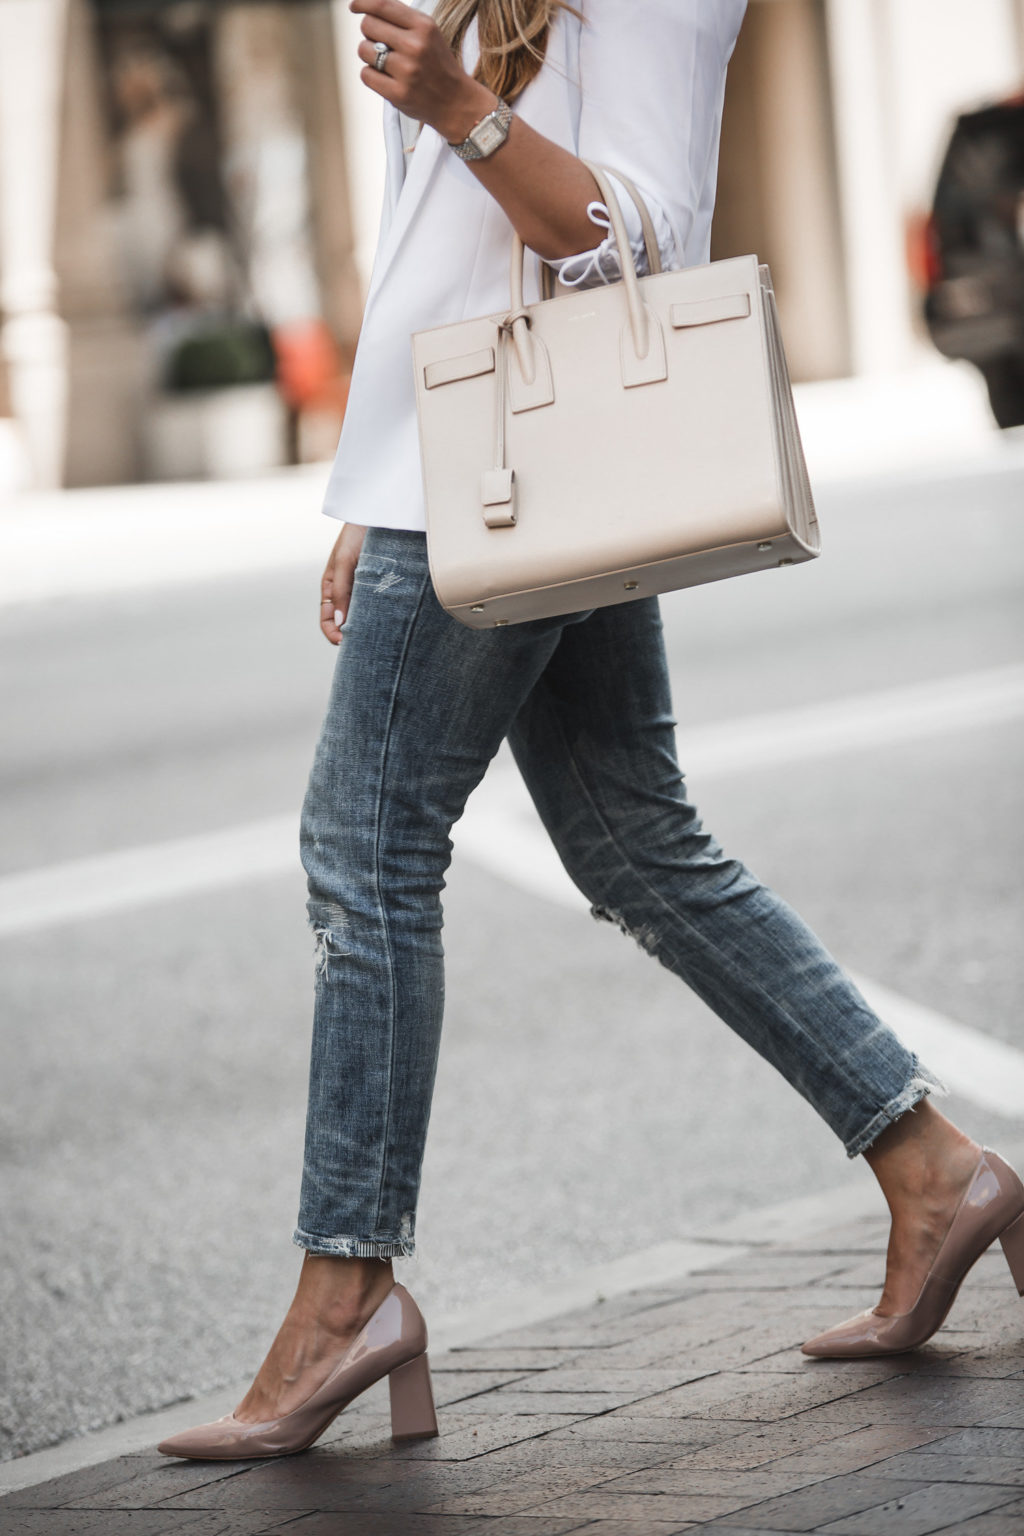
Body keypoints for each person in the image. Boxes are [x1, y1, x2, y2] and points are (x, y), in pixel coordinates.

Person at [157, 0, 1024, 1462]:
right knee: (634, 839)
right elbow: (440, 242)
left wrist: (462, 104)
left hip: (521, 465)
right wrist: (378, 479)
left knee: (366, 848)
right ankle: (933, 1169)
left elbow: (639, 236)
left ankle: (345, 1291)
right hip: (477, 458)